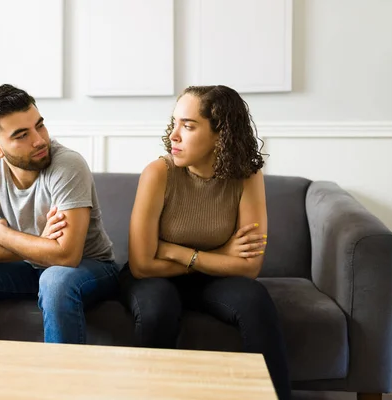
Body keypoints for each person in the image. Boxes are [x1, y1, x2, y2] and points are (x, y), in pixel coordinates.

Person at [119, 85, 292, 399]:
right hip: (155, 278)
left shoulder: (247, 176)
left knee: (254, 299)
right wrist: (218, 255)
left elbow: (250, 266)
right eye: (174, 123)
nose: (174, 135)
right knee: (158, 308)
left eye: (188, 125)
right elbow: (143, 265)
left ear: (220, 134)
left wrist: (175, 251)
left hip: (204, 276)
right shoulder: (158, 173)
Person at [0, 84, 119, 344]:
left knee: (55, 281)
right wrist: (40, 244)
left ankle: (65, 383)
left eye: (39, 125)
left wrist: (2, 233)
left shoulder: (67, 164)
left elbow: (66, 255)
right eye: (21, 135)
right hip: (28, 268)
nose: (40, 140)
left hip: (90, 266)